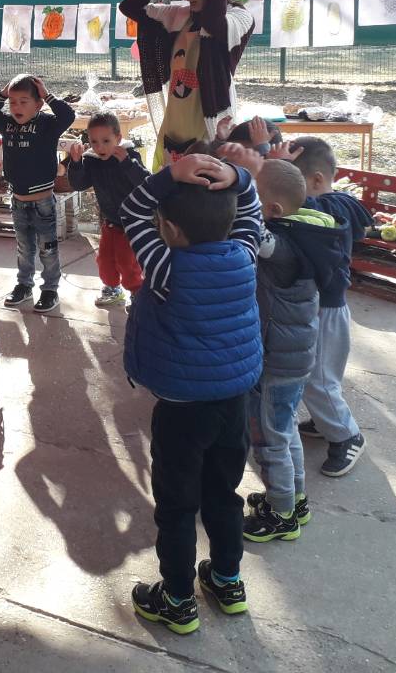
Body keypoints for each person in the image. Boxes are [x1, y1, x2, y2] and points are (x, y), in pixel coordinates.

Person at [121, 153, 263, 630]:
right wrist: (239, 178)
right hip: (233, 404)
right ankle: (226, 580)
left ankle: (178, 599)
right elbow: (251, 209)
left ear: (170, 229)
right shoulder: (245, 255)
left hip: (182, 411)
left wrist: (168, 176)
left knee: (178, 506)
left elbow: (130, 211)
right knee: (224, 494)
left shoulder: (165, 266)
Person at [221, 150, 349, 542]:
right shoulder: (306, 233)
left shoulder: (283, 246)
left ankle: (280, 516)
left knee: (269, 440)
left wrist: (238, 186)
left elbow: (250, 230)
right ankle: (294, 498)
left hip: (277, 359)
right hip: (292, 357)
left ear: (273, 210)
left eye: (255, 199)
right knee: (285, 429)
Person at [119, 0, 255, 168]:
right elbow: (129, 6)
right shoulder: (178, 15)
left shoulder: (240, 17)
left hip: (210, 127)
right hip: (174, 126)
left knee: (203, 184)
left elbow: (214, 24)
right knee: (171, 183)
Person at [287, 137, 371, 476]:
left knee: (318, 378)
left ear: (317, 180)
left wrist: (273, 170)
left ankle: (347, 435)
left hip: (327, 309)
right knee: (320, 374)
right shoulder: (338, 203)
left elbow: (303, 210)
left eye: (293, 184)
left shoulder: (330, 210)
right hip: (323, 306)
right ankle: (326, 421)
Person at [0, 74, 76, 314]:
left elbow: (68, 115)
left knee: (48, 249)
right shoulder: (8, 124)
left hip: (43, 202)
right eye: (13, 102)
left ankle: (50, 289)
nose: (17, 107)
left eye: (24, 102)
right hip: (18, 202)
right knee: (24, 248)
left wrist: (47, 94)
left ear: (38, 104)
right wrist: (3, 93)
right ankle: (24, 285)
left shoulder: (47, 124)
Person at [64, 112, 150, 307]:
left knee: (127, 262)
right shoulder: (92, 160)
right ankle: (112, 288)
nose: (99, 147)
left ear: (118, 138)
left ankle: (137, 293)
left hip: (132, 223)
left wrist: (127, 163)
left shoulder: (130, 156)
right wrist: (75, 163)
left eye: (106, 141)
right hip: (109, 221)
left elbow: (145, 182)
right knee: (104, 259)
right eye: (94, 142)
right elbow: (79, 184)